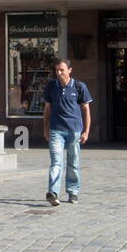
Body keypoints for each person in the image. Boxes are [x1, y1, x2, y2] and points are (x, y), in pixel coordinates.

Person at [42, 58, 92, 206]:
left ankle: (73, 192)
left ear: (69, 70)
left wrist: (86, 131)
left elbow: (86, 110)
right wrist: (45, 129)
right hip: (56, 130)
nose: (59, 73)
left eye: (62, 70)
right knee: (56, 163)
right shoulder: (51, 86)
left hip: (74, 130)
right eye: (57, 70)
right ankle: (53, 193)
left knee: (73, 163)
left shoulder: (79, 86)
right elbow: (47, 110)